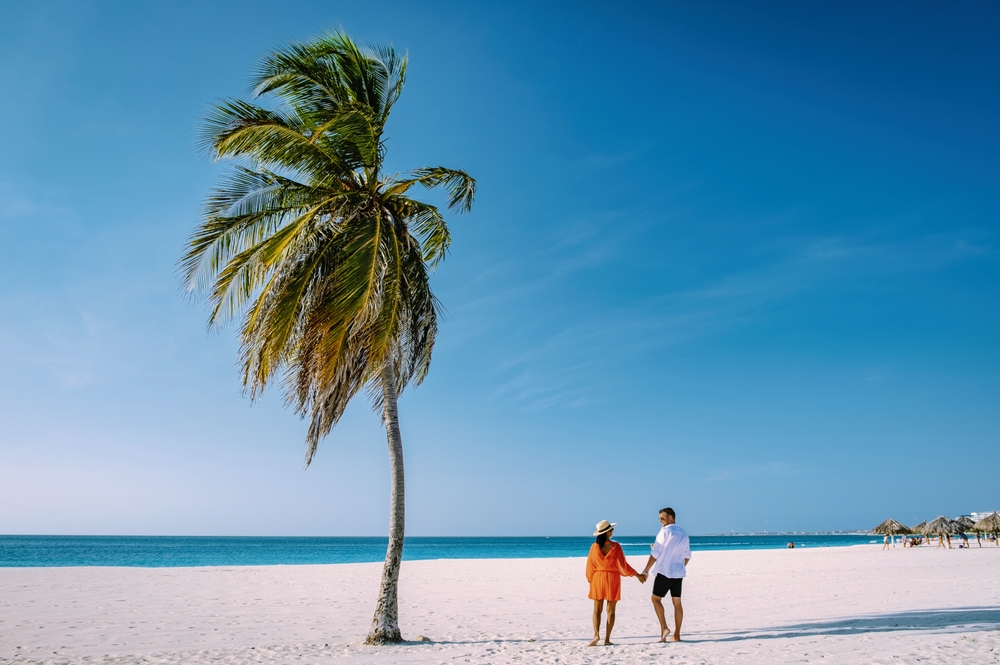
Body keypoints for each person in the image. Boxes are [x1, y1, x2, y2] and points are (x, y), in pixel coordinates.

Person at [585, 520, 646, 647]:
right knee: (611, 611)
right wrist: (638, 575)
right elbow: (623, 565)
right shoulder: (616, 546)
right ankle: (607, 639)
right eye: (611, 529)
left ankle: (596, 635)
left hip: (598, 578)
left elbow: (590, 567)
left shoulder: (594, 547)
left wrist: (591, 580)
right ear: (607, 532)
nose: (612, 531)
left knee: (597, 610)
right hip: (612, 579)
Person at [640, 507, 691, 642]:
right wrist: (679, 567)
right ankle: (677, 635)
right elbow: (687, 556)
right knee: (677, 603)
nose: (660, 521)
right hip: (678, 574)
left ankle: (664, 628)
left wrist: (645, 571)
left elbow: (655, 553)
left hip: (664, 572)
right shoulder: (684, 533)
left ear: (671, 518)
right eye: (659, 519)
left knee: (655, 599)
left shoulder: (665, 532)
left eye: (663, 518)